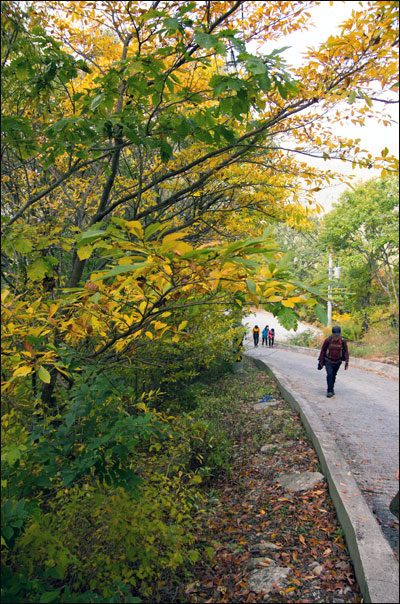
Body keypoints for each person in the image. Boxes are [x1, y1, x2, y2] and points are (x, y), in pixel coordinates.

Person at [318, 325, 349, 398]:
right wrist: (321, 361)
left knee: (333, 375)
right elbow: (323, 351)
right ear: (332, 334)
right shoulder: (328, 340)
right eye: (335, 335)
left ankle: (331, 388)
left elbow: (346, 352)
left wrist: (346, 362)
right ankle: (330, 391)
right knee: (330, 375)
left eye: (337, 335)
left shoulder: (343, 341)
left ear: (339, 334)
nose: (336, 337)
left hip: (338, 361)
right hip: (328, 360)